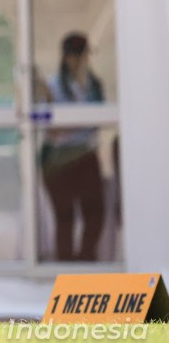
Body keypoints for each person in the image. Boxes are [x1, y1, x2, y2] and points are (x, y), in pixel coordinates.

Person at [39, 32, 106, 261]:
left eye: (83, 56)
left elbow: (97, 122)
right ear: (67, 57)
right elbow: (50, 128)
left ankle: (86, 260)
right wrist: (79, 123)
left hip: (85, 154)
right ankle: (66, 265)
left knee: (95, 213)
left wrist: (73, 124)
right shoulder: (53, 86)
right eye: (76, 56)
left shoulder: (93, 86)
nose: (79, 61)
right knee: (65, 217)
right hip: (58, 159)